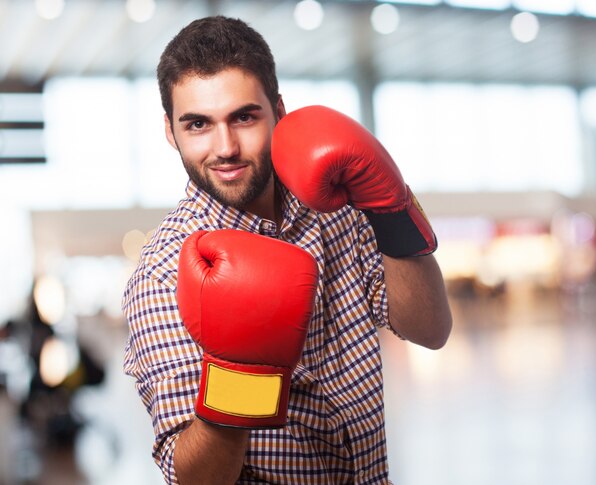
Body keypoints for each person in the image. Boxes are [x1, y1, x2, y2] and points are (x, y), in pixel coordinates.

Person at [122, 15, 452, 485]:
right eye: (198, 124)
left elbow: (431, 330)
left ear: (278, 109)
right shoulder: (162, 273)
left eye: (244, 116)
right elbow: (194, 479)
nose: (226, 147)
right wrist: (239, 371)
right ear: (171, 133)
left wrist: (389, 208)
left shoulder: (339, 206)